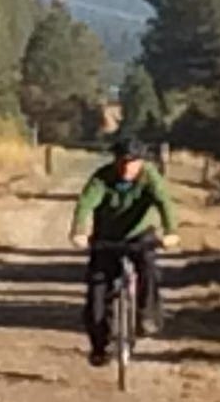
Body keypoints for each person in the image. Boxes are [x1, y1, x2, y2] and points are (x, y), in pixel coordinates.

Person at [68, 136, 180, 365]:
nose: (126, 168)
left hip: (139, 234)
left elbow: (165, 203)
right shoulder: (102, 177)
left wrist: (171, 232)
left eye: (132, 162)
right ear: (115, 160)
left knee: (148, 267)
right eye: (122, 161)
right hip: (106, 238)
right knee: (97, 294)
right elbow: (86, 203)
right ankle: (101, 347)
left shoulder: (149, 176)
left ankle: (146, 316)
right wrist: (79, 231)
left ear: (141, 162)